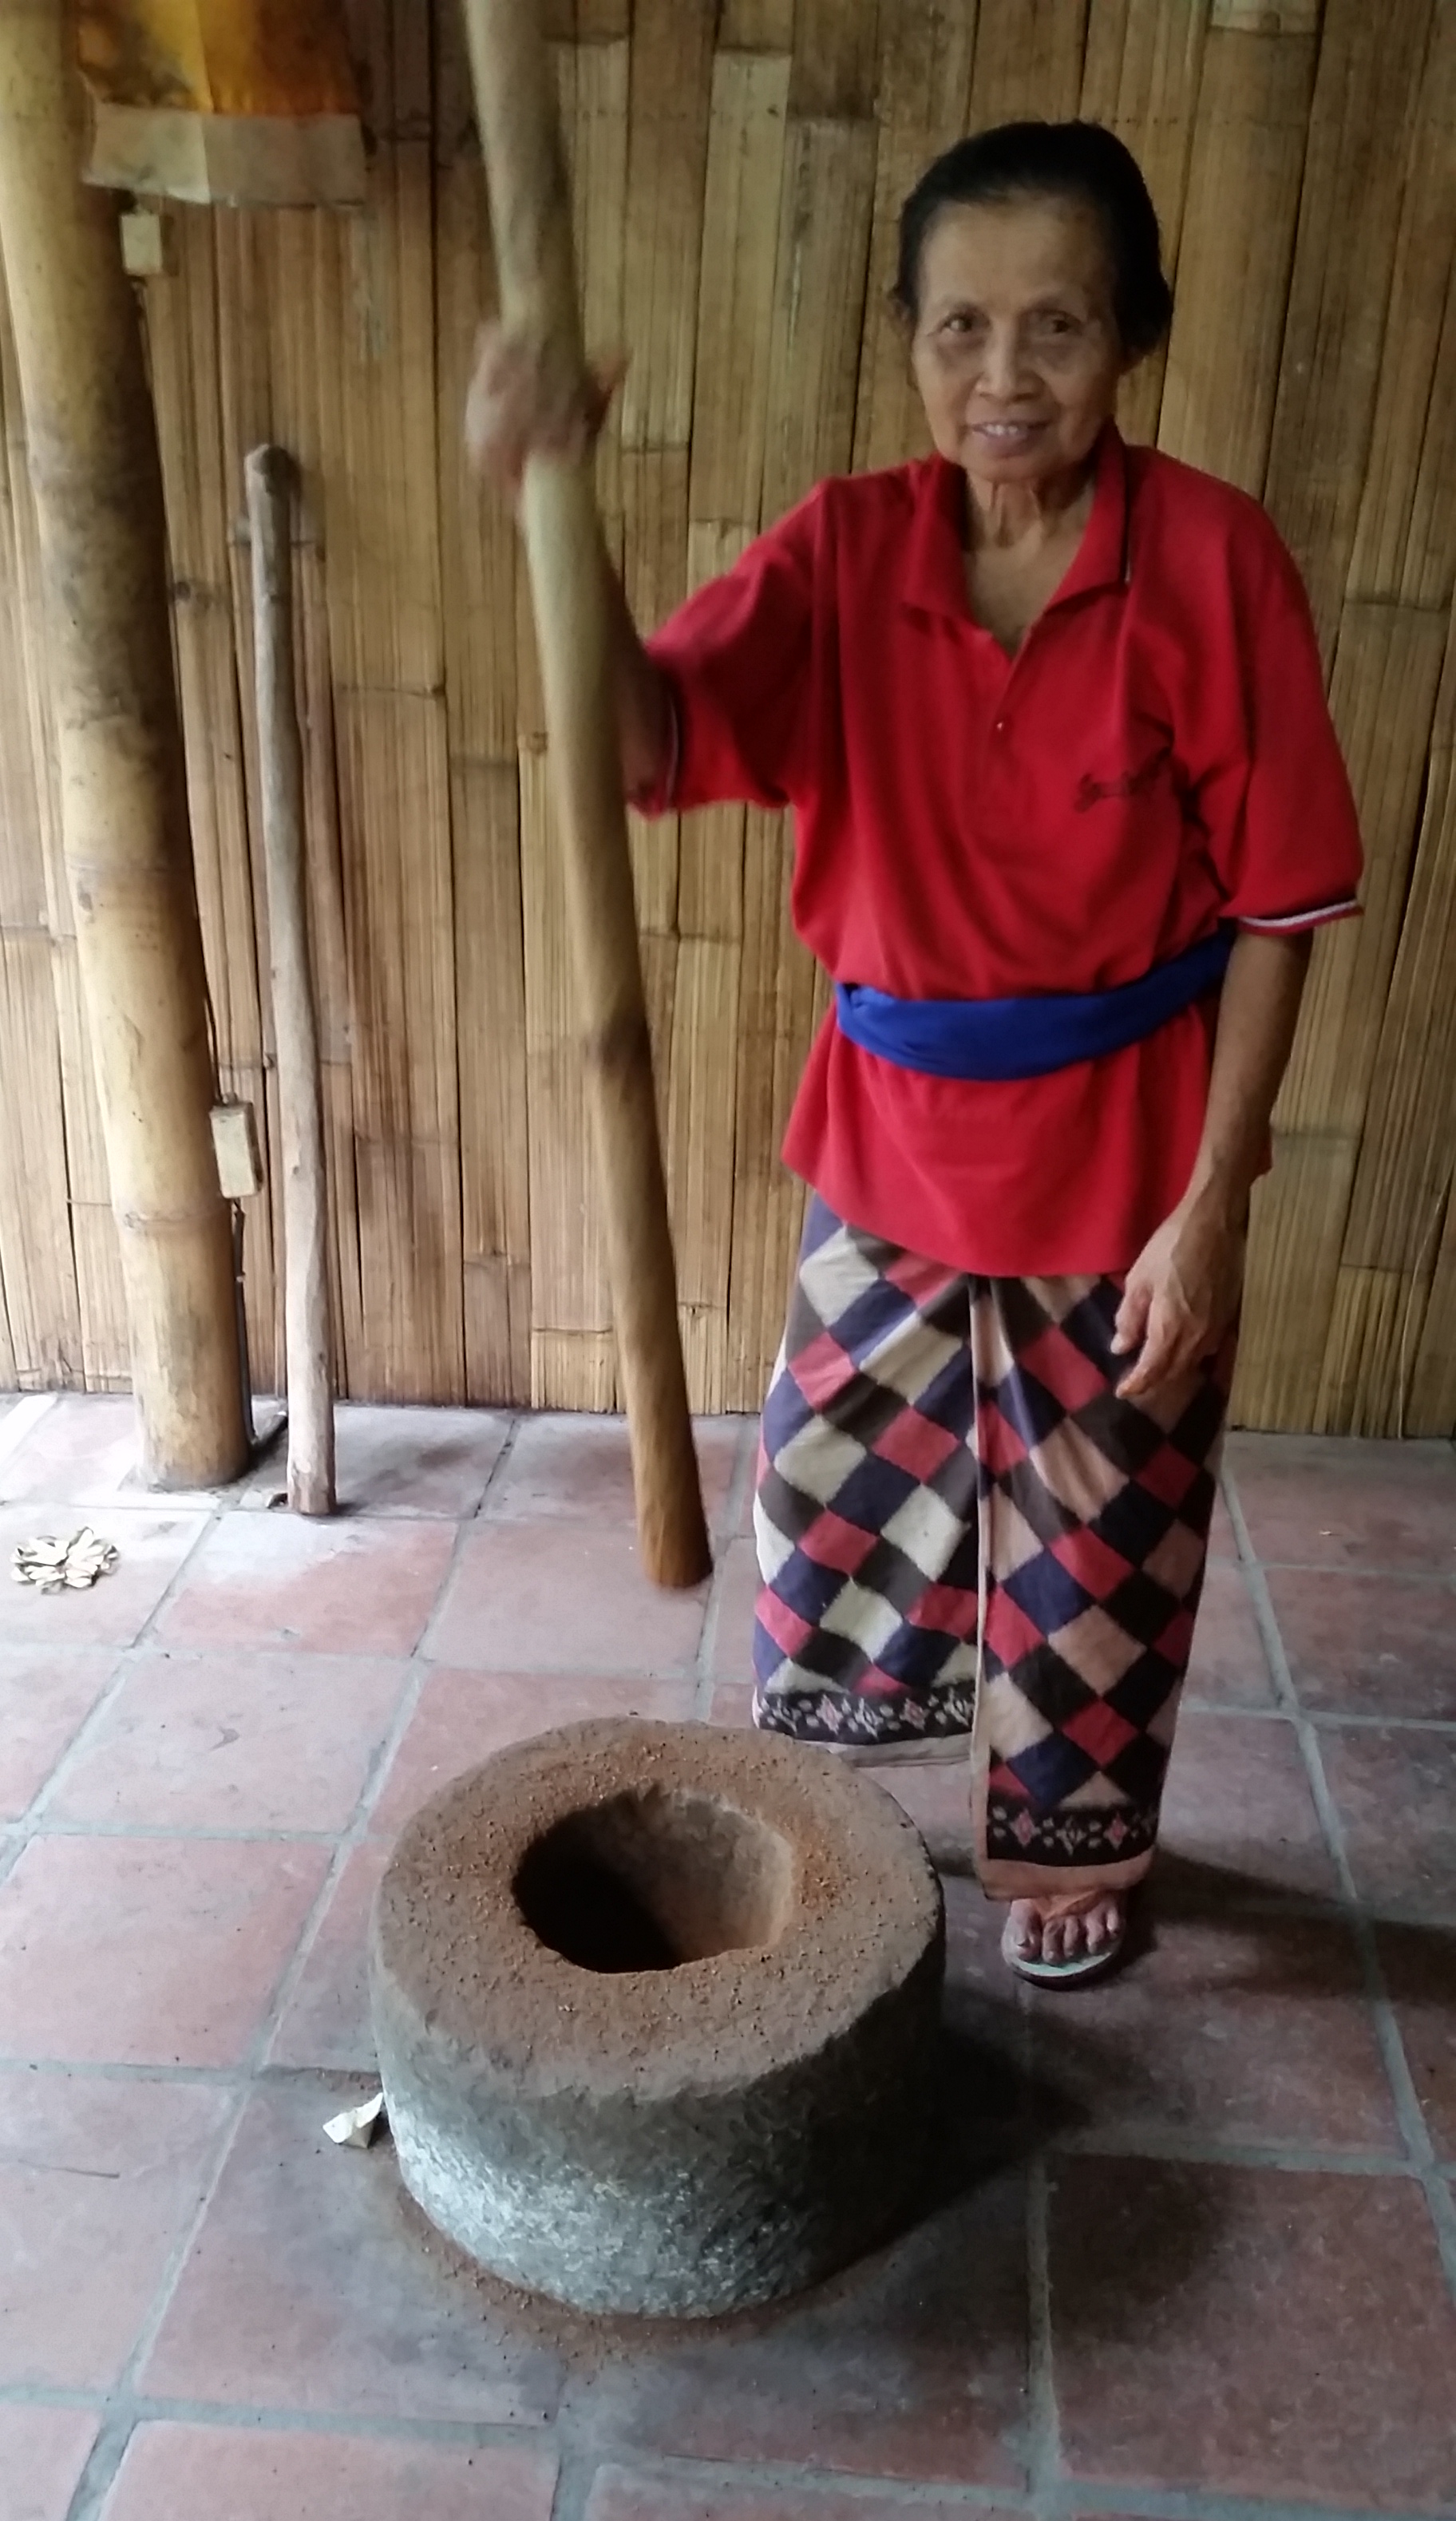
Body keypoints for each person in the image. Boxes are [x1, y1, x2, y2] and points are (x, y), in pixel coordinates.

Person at [467, 120, 1362, 1985]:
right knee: (835, 1487)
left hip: (1127, 1150)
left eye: (1057, 326)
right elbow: (647, 737)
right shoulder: (846, 550)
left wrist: (1215, 1203)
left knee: (1106, 1526)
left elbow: (1282, 905)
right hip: (888, 1139)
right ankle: (855, 1800)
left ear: (1132, 337)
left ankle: (1067, 1844)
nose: (1003, 375)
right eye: (961, 326)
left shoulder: (1212, 560)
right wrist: (557, 501)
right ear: (909, 339)